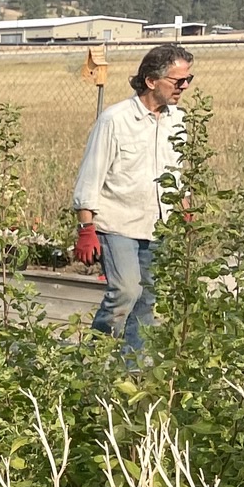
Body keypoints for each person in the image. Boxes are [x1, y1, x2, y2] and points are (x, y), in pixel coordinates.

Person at [72, 43, 194, 353]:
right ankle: (95, 358)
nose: (184, 87)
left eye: (187, 80)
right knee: (125, 291)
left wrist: (185, 207)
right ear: (151, 81)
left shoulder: (177, 121)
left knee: (147, 300)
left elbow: (177, 170)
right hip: (118, 224)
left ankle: (132, 370)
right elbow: (91, 175)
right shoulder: (115, 120)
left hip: (158, 227)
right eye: (177, 81)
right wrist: (86, 229)